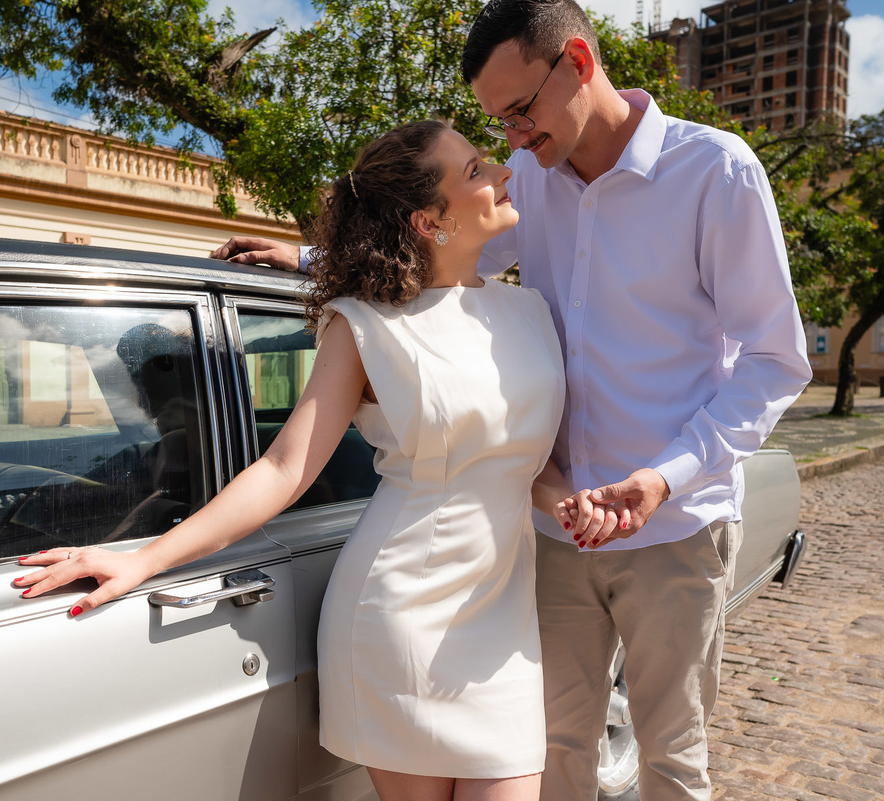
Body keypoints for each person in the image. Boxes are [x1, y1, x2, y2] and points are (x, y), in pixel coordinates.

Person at [211, 2, 813, 799]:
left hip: (675, 525)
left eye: (522, 111)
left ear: (578, 60)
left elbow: (775, 360)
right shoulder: (529, 173)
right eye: (500, 123)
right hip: (551, 532)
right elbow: (435, 250)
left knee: (671, 758)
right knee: (559, 750)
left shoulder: (717, 172)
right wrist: (308, 254)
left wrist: (665, 475)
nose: (514, 141)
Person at [15, 120, 607, 801]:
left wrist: (563, 498)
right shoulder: (364, 324)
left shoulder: (530, 311)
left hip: (504, 622)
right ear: (429, 220)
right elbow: (283, 469)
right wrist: (142, 559)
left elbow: (520, 459)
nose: (504, 170)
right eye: (475, 169)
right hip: (402, 617)